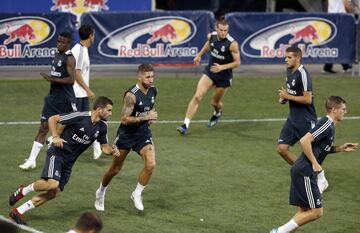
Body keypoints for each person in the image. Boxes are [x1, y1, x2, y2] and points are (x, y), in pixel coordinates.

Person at [8, 96, 120, 225]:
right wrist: (55, 136)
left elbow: (105, 148)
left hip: (69, 162)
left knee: (54, 192)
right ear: (99, 109)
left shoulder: (102, 127)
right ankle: (23, 191)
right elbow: (53, 119)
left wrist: (112, 151)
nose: (111, 114)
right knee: (52, 184)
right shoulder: (80, 116)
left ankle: (18, 211)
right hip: (57, 152)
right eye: (109, 110)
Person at [270, 96, 358, 233]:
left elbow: (321, 148)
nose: (345, 112)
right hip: (305, 170)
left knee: (303, 212)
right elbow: (305, 140)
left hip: (301, 170)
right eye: (343, 109)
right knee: (317, 212)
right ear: (334, 110)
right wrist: (315, 163)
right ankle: (278, 231)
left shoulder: (330, 126)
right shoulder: (326, 124)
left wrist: (340, 148)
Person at [94, 64, 158, 212]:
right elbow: (124, 119)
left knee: (151, 164)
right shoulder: (131, 95)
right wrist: (145, 116)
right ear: (139, 77)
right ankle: (101, 191)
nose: (151, 79)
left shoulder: (154, 90)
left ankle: (137, 193)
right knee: (115, 169)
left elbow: (150, 108)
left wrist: (150, 118)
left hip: (143, 134)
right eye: (147, 77)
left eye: (152, 76)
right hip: (126, 135)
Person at [19, 32, 77, 170]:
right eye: (58, 41)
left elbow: (71, 80)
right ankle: (32, 160)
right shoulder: (57, 54)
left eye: (62, 42)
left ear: (68, 43)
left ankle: (96, 143)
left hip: (65, 100)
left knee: (71, 128)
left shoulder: (69, 58)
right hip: (52, 99)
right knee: (43, 127)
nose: (59, 44)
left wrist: (52, 79)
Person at [176, 16, 240, 135]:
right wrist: (199, 55)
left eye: (226, 30)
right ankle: (185, 125)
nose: (223, 33)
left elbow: (237, 63)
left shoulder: (232, 44)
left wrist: (222, 67)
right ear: (216, 28)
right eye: (221, 30)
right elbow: (208, 44)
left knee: (215, 103)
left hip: (224, 77)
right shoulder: (212, 36)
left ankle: (217, 112)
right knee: (197, 96)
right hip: (210, 72)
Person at [277, 46, 329, 193]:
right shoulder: (289, 71)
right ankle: (308, 173)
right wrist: (284, 98)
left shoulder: (303, 74)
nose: (285, 60)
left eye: (289, 57)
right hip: (293, 119)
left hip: (306, 120)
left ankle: (321, 177)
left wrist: (288, 96)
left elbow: (307, 99)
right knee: (282, 149)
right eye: (285, 57)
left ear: (298, 58)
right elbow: (291, 92)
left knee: (310, 153)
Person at [47, 24, 102, 159]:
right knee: (77, 121)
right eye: (93, 34)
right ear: (90, 35)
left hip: (79, 93)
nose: (94, 36)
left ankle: (53, 140)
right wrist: (88, 90)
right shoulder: (80, 50)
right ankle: (54, 140)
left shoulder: (82, 49)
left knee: (78, 121)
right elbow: (76, 73)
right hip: (77, 94)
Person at [322, 0, 352, 74]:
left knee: (334, 42)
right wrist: (352, 14)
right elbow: (346, 4)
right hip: (341, 18)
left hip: (331, 17)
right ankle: (344, 65)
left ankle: (331, 66)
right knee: (341, 42)